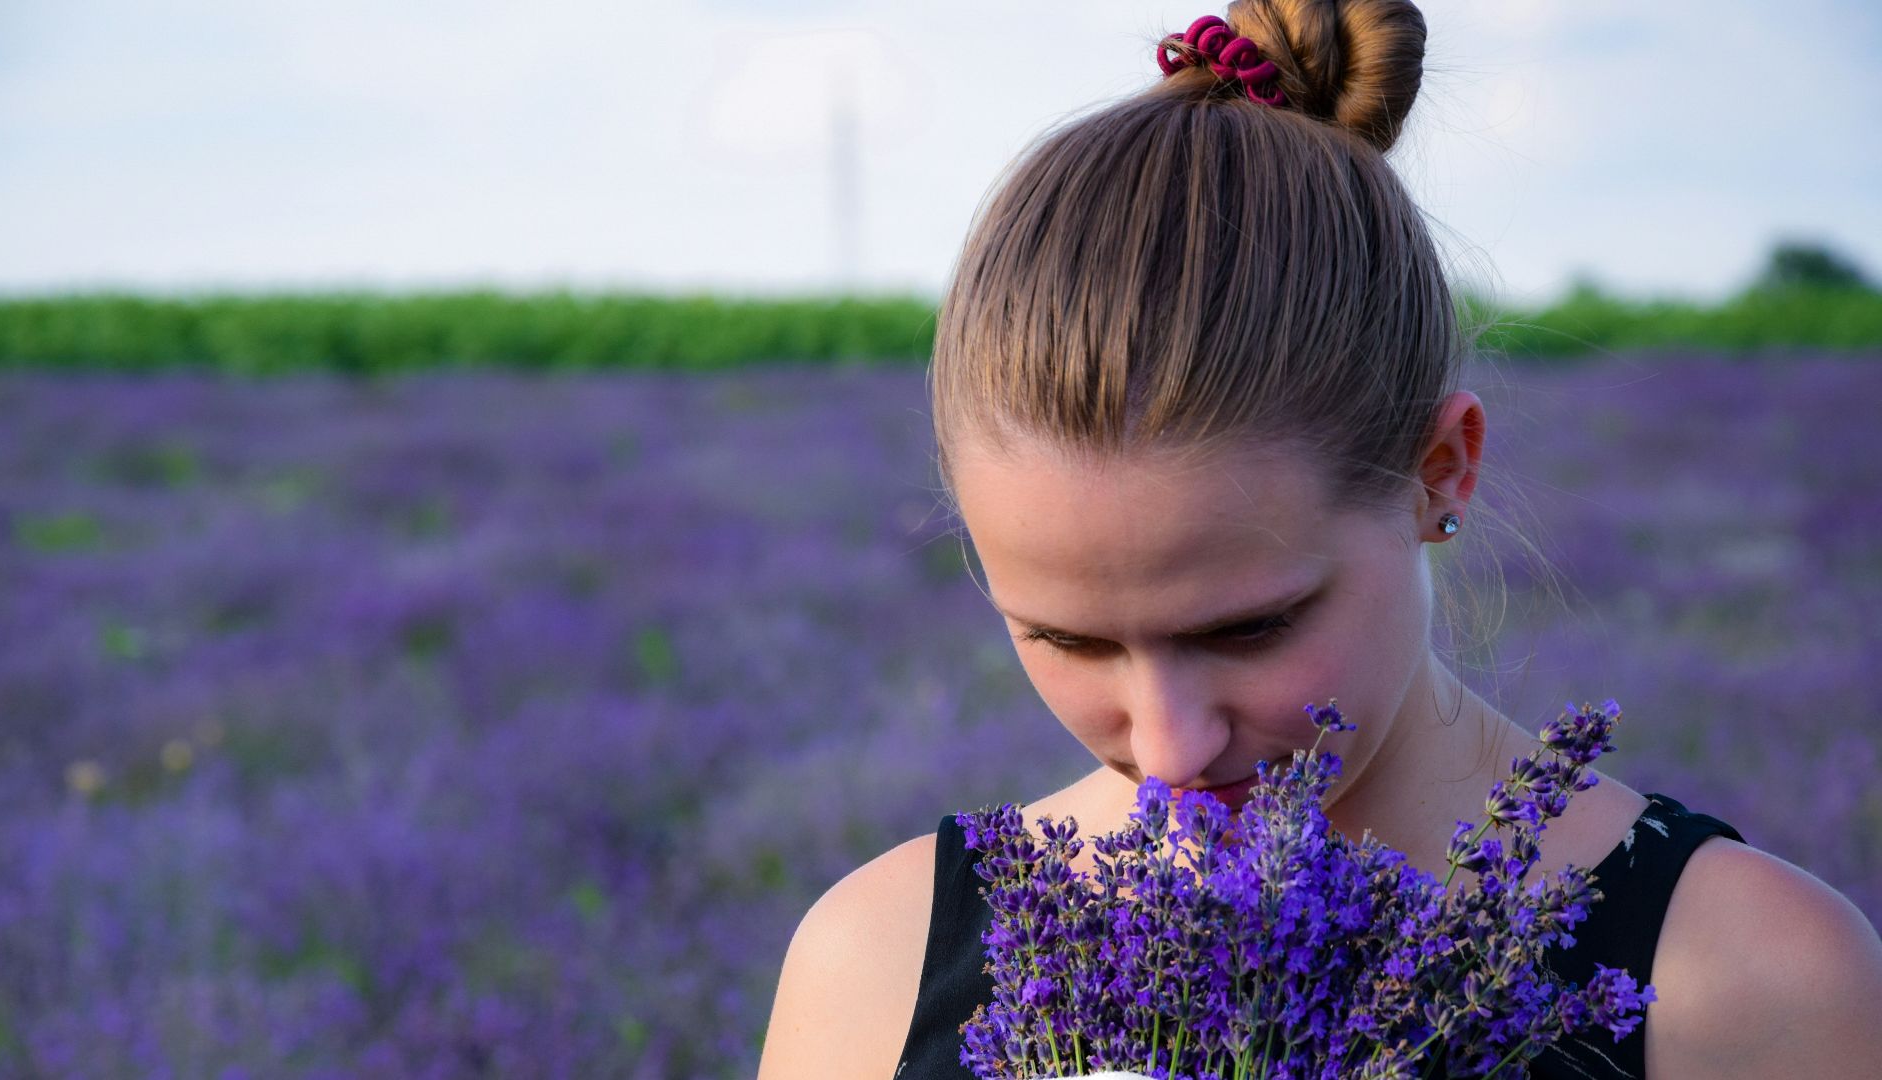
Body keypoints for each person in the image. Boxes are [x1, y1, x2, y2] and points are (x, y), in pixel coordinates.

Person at [757, 2, 1882, 1077]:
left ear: (1439, 472)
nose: (1170, 748)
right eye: (1069, 639)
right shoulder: (878, 967)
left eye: (1248, 628)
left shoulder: (1750, 984)